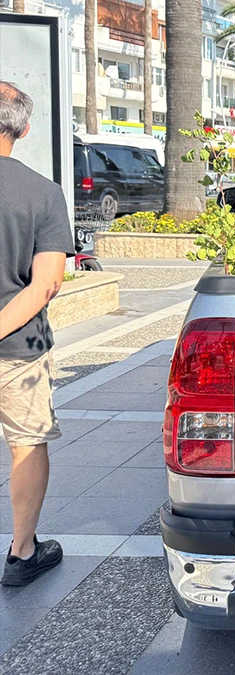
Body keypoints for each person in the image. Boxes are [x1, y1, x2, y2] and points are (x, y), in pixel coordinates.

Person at [0, 81, 74, 586]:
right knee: (25, 443)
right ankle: (22, 552)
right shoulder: (43, 193)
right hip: (19, 348)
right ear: (23, 130)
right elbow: (46, 283)